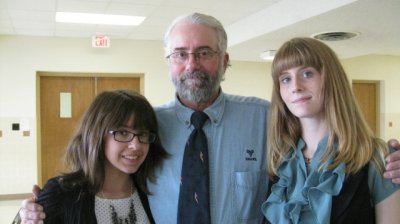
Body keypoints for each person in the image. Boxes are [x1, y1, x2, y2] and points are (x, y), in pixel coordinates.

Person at [18, 13, 400, 224]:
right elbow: (102, 174)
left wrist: (391, 161)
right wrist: (32, 212)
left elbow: (328, 133)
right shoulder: (149, 126)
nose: (192, 64)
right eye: (181, 54)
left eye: (204, 52)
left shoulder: (267, 119)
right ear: (168, 63)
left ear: (225, 61)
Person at [262, 37, 400, 223]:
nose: (295, 87)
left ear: (331, 79)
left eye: (307, 74)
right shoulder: (279, 161)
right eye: (286, 79)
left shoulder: (377, 157)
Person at [13, 90, 168, 224]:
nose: (136, 145)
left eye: (143, 134)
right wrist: (23, 218)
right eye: (123, 132)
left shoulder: (153, 191)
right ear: (97, 135)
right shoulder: (61, 194)